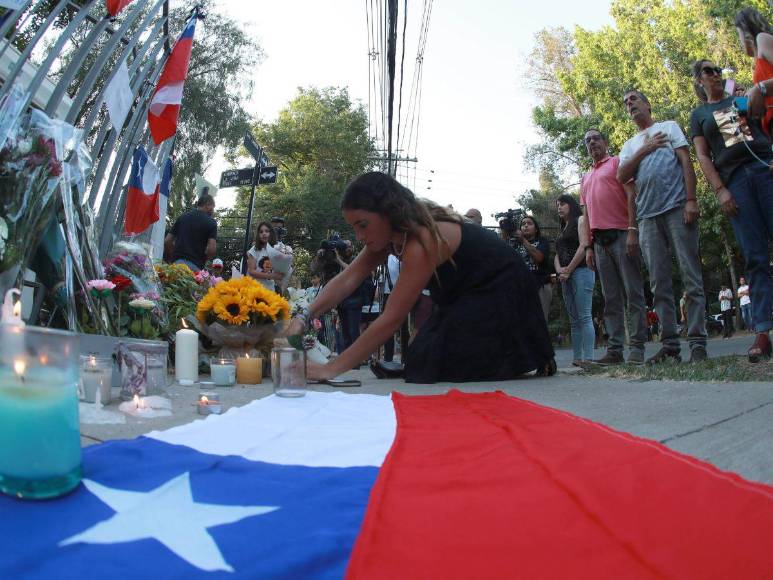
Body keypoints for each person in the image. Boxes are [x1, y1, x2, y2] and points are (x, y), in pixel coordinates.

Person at [289, 171, 555, 383]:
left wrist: (330, 369)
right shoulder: (387, 237)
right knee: (422, 358)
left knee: (429, 363)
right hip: (462, 295)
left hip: (501, 289)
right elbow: (350, 278)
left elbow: (392, 317)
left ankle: (528, 353)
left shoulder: (421, 240)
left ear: (388, 214)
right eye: (353, 227)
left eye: (363, 225)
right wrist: (303, 315)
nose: (359, 236)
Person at [690, 59, 773, 361]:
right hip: (735, 182)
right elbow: (702, 155)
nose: (715, 74)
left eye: (717, 70)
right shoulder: (699, 114)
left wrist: (745, 92)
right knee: (754, 255)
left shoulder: (737, 96)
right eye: (708, 71)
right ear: (698, 80)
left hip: (764, 168)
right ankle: (763, 331)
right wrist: (720, 190)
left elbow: (762, 117)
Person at [618, 89, 708, 364]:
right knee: (659, 284)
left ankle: (697, 343)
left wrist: (691, 200)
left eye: (634, 99)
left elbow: (685, 162)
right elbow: (622, 175)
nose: (630, 104)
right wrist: (646, 148)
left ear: (647, 103)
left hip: (677, 208)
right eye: (626, 103)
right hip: (647, 218)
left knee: (690, 275)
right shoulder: (630, 145)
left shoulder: (668, 127)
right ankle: (670, 345)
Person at [581, 129, 648, 365]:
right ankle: (615, 350)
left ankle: (637, 348)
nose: (592, 143)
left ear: (605, 142)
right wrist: (588, 246)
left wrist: (632, 231)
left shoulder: (617, 163)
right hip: (599, 243)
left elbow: (631, 195)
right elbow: (586, 213)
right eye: (588, 141)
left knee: (634, 293)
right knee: (611, 299)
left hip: (622, 235)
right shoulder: (586, 177)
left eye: (596, 138)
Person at [555, 195, 595, 367]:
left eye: (562, 204)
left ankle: (589, 358)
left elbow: (583, 246)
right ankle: (577, 358)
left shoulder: (580, 220)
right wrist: (559, 270)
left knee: (584, 316)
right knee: (573, 319)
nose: (559, 207)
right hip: (566, 276)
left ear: (571, 204)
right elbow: (557, 254)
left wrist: (569, 270)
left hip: (582, 272)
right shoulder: (562, 228)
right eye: (557, 205)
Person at [735, 8, 773, 135]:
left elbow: (763, 88)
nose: (739, 42)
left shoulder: (762, 39)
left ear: (745, 31)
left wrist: (759, 88)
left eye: (738, 34)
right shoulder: (758, 62)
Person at [513, 215, 552, 323]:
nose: (525, 225)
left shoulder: (542, 242)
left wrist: (523, 240)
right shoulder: (514, 244)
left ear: (536, 229)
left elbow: (539, 258)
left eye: (529, 223)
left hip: (540, 286)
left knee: (540, 321)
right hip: (520, 286)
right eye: (523, 224)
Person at [164, 194, 217, 272]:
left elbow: (167, 241)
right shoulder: (211, 223)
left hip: (176, 266)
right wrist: (204, 260)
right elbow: (211, 250)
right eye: (213, 207)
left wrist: (172, 257)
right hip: (195, 268)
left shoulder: (182, 217)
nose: (213, 210)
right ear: (207, 204)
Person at [246, 222, 285, 291]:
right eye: (261, 232)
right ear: (258, 235)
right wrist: (271, 276)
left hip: (270, 291)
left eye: (267, 231)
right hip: (254, 290)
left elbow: (278, 276)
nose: (264, 233)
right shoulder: (255, 249)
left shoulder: (276, 250)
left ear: (271, 233)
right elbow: (251, 271)